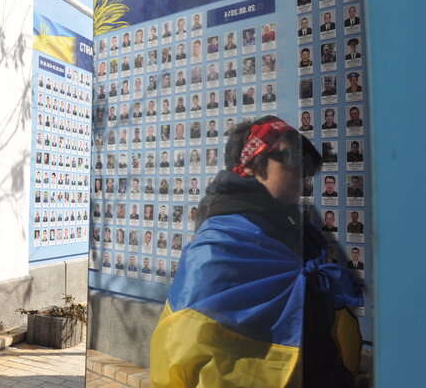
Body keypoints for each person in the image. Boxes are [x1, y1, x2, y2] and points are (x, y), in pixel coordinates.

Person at [150, 116, 362, 387]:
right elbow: (178, 343)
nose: (301, 172)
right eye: (292, 157)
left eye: (306, 164)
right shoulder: (220, 244)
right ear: (252, 164)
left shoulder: (299, 231)